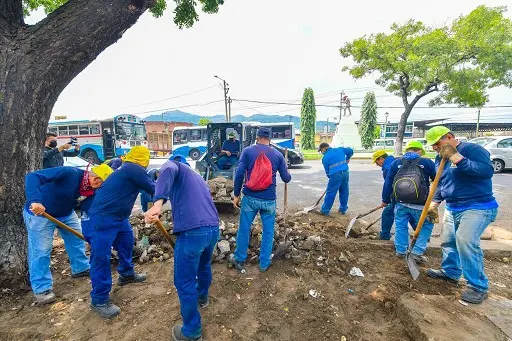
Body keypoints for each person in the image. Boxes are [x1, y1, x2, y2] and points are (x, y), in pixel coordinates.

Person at [145, 155, 219, 341]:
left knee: (184, 281)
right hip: (212, 229)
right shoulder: (197, 178)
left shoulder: (174, 165)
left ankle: (192, 331)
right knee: (203, 266)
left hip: (193, 232)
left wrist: (157, 204)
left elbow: (168, 169)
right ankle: (202, 298)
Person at [424, 126, 498, 304]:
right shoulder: (439, 157)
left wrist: (457, 158)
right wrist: (435, 202)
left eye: (437, 143)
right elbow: (441, 183)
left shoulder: (472, 150)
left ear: (449, 137)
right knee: (448, 240)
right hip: (453, 207)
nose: (434, 148)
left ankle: (478, 286)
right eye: (432, 146)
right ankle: (451, 272)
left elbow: (486, 171)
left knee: (465, 240)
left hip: (478, 206)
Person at [23, 164, 113, 304]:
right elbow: (32, 176)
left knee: (77, 239)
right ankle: (42, 288)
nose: (101, 189)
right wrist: (35, 201)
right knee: (41, 250)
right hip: (40, 215)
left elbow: (89, 210)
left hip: (66, 214)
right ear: (96, 179)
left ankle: (80, 268)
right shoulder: (69, 173)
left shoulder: (90, 190)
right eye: (102, 185)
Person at [83, 146, 155, 318]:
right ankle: (99, 299)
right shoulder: (133, 168)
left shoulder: (128, 168)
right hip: (104, 218)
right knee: (101, 257)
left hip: (119, 217)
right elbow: (154, 188)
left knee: (126, 243)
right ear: (142, 159)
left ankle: (126, 274)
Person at [230, 127, 291, 273]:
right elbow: (286, 178)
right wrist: (287, 170)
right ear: (270, 139)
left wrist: (237, 194)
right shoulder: (278, 155)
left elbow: (239, 174)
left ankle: (239, 259)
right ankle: (264, 263)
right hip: (269, 200)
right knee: (268, 231)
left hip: (250, 197)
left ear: (257, 137)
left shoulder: (248, 151)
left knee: (244, 228)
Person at [381, 141, 436, 263]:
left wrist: (385, 200)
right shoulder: (426, 162)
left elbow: (388, 183)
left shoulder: (396, 163)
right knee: (426, 226)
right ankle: (417, 252)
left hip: (401, 202)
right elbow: (437, 179)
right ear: (420, 151)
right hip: (421, 203)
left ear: (407, 150)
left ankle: (401, 251)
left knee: (400, 225)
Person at [373, 150, 416, 240]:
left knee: (388, 213)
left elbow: (389, 185)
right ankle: (421, 234)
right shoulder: (396, 160)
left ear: (381, 159)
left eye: (377, 162)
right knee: (411, 212)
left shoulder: (388, 168)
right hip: (413, 192)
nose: (377, 165)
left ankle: (384, 235)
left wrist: (385, 200)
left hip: (399, 195)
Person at [318, 142, 353, 215]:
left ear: (325, 148)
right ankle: (343, 209)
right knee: (344, 191)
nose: (321, 152)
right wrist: (348, 158)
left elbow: (327, 172)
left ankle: (325, 210)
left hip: (335, 175)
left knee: (331, 192)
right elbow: (350, 150)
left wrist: (331, 179)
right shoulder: (339, 149)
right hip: (345, 172)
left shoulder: (325, 158)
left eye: (321, 151)